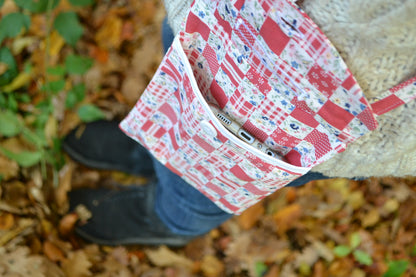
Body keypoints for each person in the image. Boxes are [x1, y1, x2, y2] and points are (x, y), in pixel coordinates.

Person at [65, 0, 416, 246]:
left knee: (202, 188)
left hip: (319, 122)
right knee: (178, 103)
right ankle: (154, 154)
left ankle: (168, 219)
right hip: (213, 24)